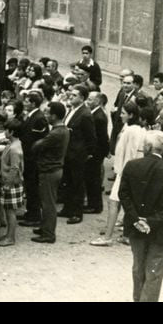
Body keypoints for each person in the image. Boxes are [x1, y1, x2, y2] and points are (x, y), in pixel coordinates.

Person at [118, 130, 163, 302]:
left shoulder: (132, 165)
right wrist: (151, 221)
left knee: (138, 267)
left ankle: (138, 299)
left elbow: (123, 194)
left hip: (135, 225)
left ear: (147, 147)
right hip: (161, 230)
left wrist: (136, 218)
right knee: (154, 270)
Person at [91, 101, 147, 247]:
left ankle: (108, 237)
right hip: (127, 172)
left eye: (123, 113)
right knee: (125, 203)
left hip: (125, 173)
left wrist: (123, 174)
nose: (120, 115)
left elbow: (131, 154)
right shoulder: (132, 128)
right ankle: (126, 235)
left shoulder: (132, 131)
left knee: (114, 202)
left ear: (131, 115)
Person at [30, 102, 69, 244]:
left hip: (49, 171)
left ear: (54, 116)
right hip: (53, 169)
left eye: (48, 113)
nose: (45, 116)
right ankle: (45, 227)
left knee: (48, 204)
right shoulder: (62, 130)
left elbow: (36, 146)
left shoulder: (56, 133)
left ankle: (48, 234)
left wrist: (37, 142)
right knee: (46, 201)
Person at [60, 85, 96, 225]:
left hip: (77, 154)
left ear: (82, 98)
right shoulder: (72, 110)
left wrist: (87, 153)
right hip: (68, 152)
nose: (71, 97)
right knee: (68, 182)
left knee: (77, 184)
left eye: (74, 95)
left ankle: (77, 212)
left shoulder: (85, 114)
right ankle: (67, 208)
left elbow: (91, 137)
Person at [19, 92, 48, 226]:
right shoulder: (32, 116)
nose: (24, 103)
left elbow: (38, 140)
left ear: (33, 103)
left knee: (33, 188)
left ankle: (34, 216)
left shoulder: (39, 118)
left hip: (33, 159)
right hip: (29, 157)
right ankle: (30, 212)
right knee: (30, 187)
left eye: (27, 101)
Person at [0, 119, 24, 247]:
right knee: (8, 210)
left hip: (11, 183)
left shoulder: (14, 148)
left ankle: (10, 237)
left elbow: (14, 168)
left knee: (10, 211)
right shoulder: (13, 144)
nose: (4, 132)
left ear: (11, 132)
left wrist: (8, 184)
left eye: (6, 130)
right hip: (8, 181)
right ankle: (8, 234)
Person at [85, 91, 110, 215]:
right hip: (96, 153)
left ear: (98, 101)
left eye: (90, 99)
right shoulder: (95, 113)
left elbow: (101, 138)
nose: (87, 102)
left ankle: (94, 205)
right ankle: (93, 204)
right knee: (92, 179)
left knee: (93, 179)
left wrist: (95, 153)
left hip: (95, 153)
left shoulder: (98, 117)